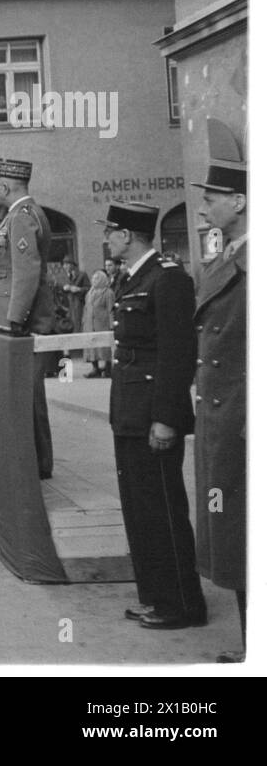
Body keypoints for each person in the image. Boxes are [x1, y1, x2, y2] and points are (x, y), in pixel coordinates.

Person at [102, 201, 205, 631]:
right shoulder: (133, 278)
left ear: (128, 236)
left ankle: (182, 603)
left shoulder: (167, 279)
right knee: (139, 509)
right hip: (129, 411)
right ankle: (155, 596)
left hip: (152, 415)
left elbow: (178, 354)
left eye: (110, 232)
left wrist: (166, 417)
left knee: (162, 508)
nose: (107, 239)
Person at [191, 162, 247, 661]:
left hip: (244, 420)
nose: (204, 206)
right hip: (223, 416)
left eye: (212, 198)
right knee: (235, 534)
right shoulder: (227, 258)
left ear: (241, 202)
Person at [0, 157, 56, 479]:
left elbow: (27, 273)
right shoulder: (18, 215)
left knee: (27, 395)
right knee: (26, 395)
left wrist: (16, 320)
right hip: (12, 321)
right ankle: (36, 461)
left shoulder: (22, 217)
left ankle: (37, 464)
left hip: (19, 324)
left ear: (4, 186)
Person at [81, 270, 114, 378]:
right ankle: (95, 368)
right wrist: (84, 322)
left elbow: (111, 309)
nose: (93, 281)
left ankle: (108, 368)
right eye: (93, 278)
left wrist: (112, 324)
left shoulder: (108, 293)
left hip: (102, 324)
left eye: (96, 278)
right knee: (91, 348)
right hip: (90, 324)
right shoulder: (89, 292)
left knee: (104, 347)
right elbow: (86, 308)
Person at [60, 259, 90, 332]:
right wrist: (63, 289)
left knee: (78, 323)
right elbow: (59, 289)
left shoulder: (82, 275)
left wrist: (79, 289)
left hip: (78, 303)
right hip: (67, 305)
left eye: (67, 264)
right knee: (67, 324)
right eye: (64, 265)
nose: (65, 267)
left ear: (73, 265)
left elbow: (88, 288)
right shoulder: (62, 276)